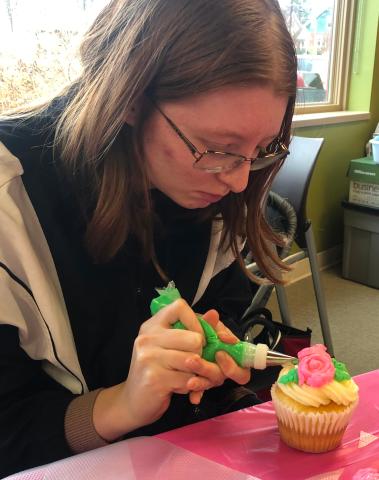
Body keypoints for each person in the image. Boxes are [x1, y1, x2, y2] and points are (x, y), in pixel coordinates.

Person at [0, 0, 297, 476]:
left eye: (262, 149)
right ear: (131, 100)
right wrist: (119, 405)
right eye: (219, 148)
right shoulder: (12, 204)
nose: (240, 182)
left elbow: (224, 333)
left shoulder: (218, 199)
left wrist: (218, 360)